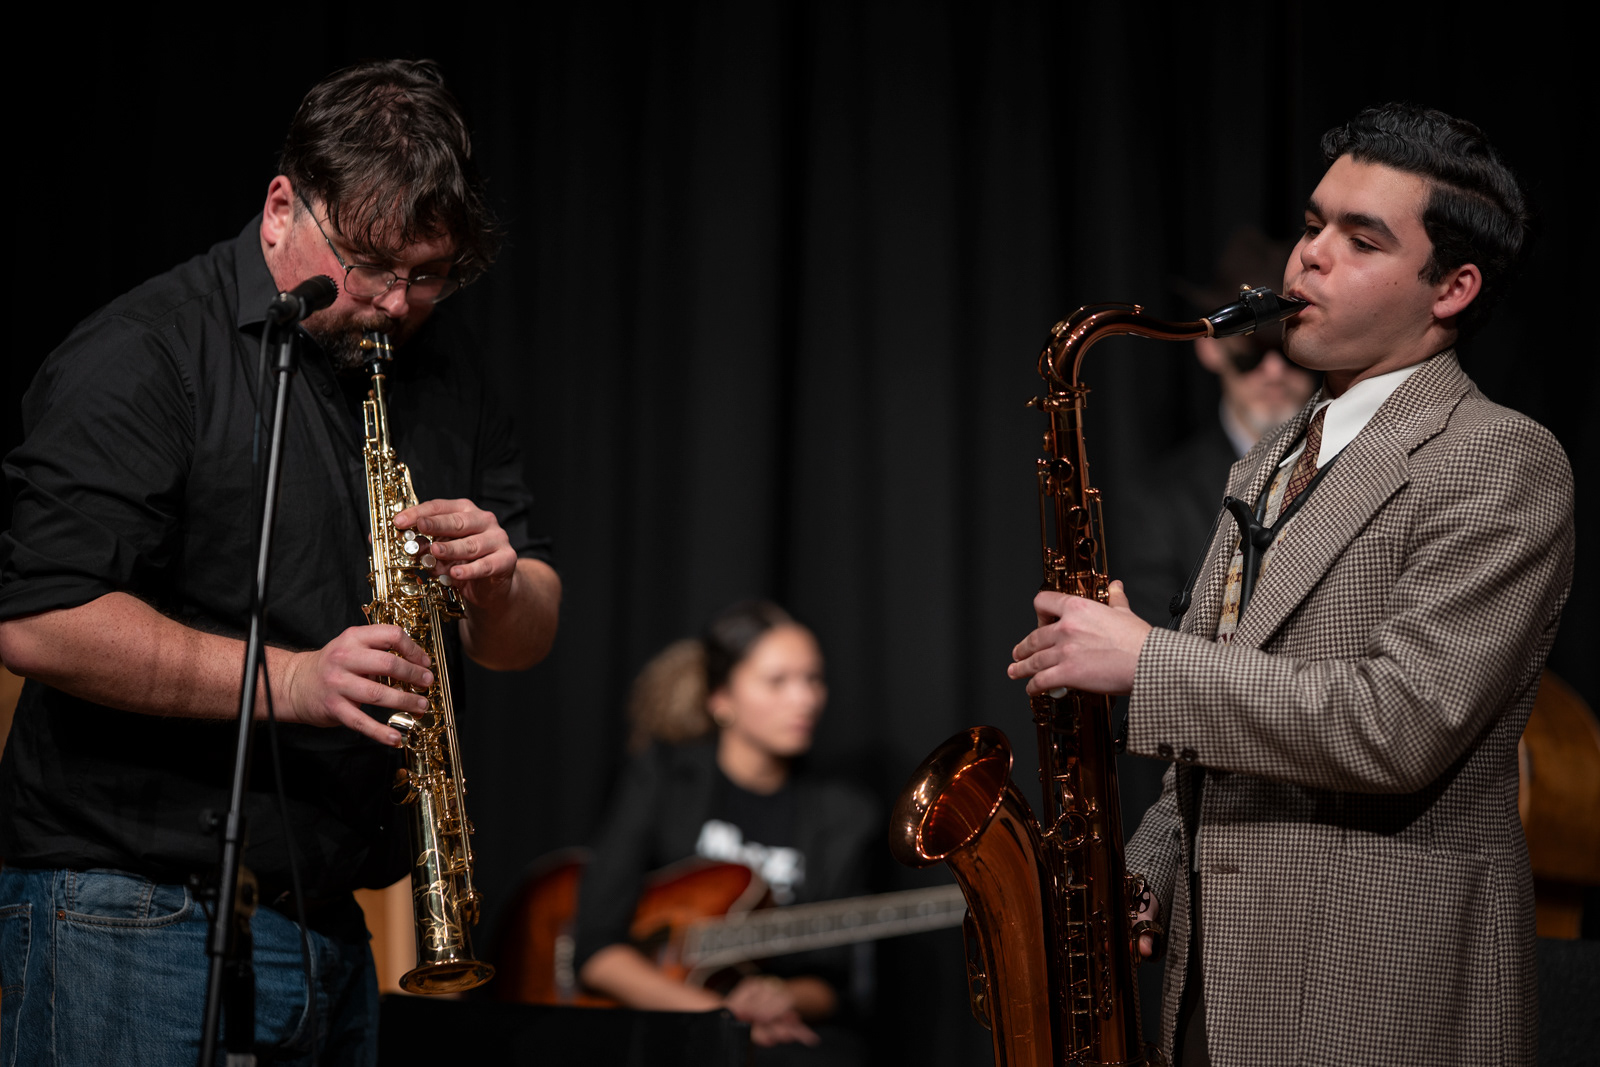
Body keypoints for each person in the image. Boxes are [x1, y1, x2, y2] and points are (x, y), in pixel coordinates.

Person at [0, 59, 561, 1065]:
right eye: (369, 263)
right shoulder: (145, 353)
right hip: (128, 912)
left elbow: (526, 634)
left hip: (327, 923)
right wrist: (294, 681)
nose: (395, 302)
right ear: (279, 209)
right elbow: (41, 620)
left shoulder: (445, 366)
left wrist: (501, 584)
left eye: (429, 275)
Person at [1008, 104, 1573, 1066]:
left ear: (1453, 287)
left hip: (1377, 994)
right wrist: (1146, 867)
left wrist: (1148, 662)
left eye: (1361, 239)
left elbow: (1400, 722)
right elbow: (1226, 725)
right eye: (1314, 224)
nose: (1309, 255)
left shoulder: (1499, 458)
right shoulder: (1272, 453)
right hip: (1218, 984)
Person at [573, 601, 875, 1062]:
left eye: (813, 679)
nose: (806, 699)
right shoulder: (663, 779)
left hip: (775, 1038)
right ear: (721, 699)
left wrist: (782, 997)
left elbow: (837, 983)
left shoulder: (845, 816)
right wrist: (722, 1017)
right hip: (667, 1025)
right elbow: (596, 950)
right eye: (778, 681)